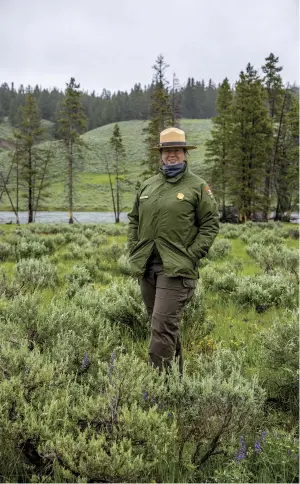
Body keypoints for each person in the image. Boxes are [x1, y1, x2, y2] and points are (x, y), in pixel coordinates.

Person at [127, 127, 219, 373]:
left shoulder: (197, 187)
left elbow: (210, 224)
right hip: (147, 266)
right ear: (161, 154)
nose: (172, 155)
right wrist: (133, 249)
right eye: (167, 150)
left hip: (177, 269)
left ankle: (157, 386)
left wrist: (191, 255)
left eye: (177, 150)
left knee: (162, 326)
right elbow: (134, 220)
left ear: (185, 154)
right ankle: (175, 384)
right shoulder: (148, 186)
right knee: (163, 327)